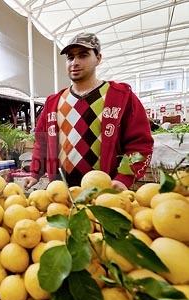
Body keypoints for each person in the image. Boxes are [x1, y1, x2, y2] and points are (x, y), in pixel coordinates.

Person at [23, 32, 153, 190]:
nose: (75, 62)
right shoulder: (53, 102)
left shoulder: (120, 97)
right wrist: (34, 173)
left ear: (98, 58)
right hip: (62, 192)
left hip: (106, 191)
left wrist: (124, 178)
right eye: (70, 57)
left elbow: (140, 143)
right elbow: (41, 142)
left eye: (83, 55)